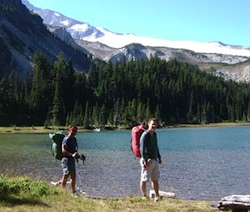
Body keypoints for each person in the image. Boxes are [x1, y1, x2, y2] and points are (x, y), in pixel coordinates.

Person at [140, 118, 162, 202]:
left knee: (155, 179)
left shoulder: (155, 134)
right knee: (144, 179)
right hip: (147, 160)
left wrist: (159, 157)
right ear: (148, 125)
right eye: (152, 124)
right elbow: (141, 148)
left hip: (154, 159)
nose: (154, 126)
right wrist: (145, 160)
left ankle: (157, 196)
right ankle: (144, 196)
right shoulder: (145, 134)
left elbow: (156, 146)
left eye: (155, 124)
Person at [61, 125, 84, 194]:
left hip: (71, 159)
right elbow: (63, 150)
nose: (74, 132)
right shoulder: (66, 139)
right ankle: (63, 191)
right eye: (73, 130)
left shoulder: (74, 139)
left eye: (76, 131)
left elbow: (74, 151)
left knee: (73, 176)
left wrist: (79, 157)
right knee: (66, 174)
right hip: (66, 159)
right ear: (69, 130)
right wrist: (72, 155)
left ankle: (73, 192)